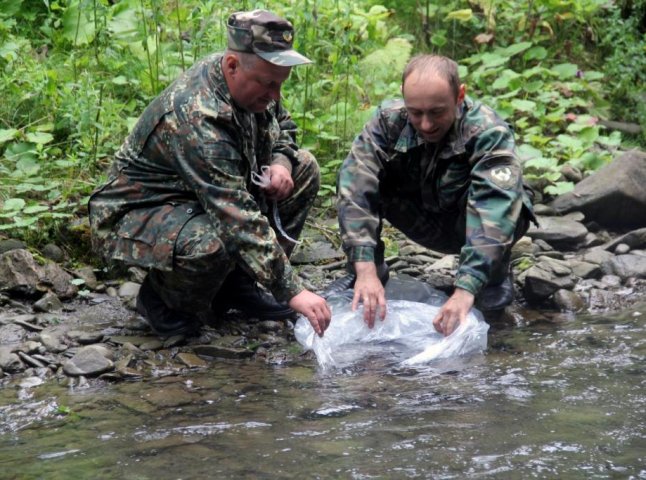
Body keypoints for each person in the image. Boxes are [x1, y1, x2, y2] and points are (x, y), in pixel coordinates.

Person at [88, 10, 331, 338]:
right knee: (215, 241)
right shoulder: (197, 116)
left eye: (280, 85)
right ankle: (161, 301)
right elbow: (235, 215)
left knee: (304, 169)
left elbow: (283, 125)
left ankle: (238, 285)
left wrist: (281, 165)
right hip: (139, 212)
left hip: (197, 200)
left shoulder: (255, 77)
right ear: (232, 65)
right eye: (268, 85)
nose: (275, 95)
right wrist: (293, 291)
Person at [333, 54, 536, 336]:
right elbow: (356, 186)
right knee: (353, 176)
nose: (426, 125)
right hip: (419, 218)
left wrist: (465, 289)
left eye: (437, 112)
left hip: (469, 226)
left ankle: (491, 279)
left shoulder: (487, 132)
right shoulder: (387, 122)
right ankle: (369, 274)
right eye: (416, 113)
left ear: (459, 95)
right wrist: (365, 269)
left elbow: (494, 209)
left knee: (511, 204)